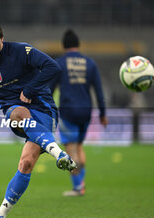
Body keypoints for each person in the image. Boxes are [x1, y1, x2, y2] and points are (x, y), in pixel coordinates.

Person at [0, 20, 77, 218]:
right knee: (16, 112)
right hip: (16, 114)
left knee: (26, 164)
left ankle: (1, 214)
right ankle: (58, 154)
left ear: (2, 39)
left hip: (44, 111)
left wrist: (29, 90)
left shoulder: (21, 51)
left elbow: (53, 67)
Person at [53, 29, 108, 196]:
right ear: (78, 44)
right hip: (86, 111)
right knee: (79, 147)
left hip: (68, 111)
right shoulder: (89, 63)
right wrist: (103, 114)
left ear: (63, 45)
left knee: (71, 150)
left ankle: (78, 187)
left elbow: (51, 88)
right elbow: (98, 90)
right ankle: (81, 184)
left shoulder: (60, 63)